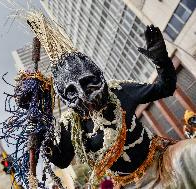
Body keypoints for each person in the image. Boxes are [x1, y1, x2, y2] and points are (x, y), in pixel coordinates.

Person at [24, 11, 196, 188]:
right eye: (73, 91)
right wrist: (42, 134)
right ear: (65, 97)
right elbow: (62, 160)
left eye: (87, 83)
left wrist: (161, 60)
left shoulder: (119, 91)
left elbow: (165, 88)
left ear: (97, 75)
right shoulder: (70, 123)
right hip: (127, 185)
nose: (84, 95)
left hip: (164, 164)